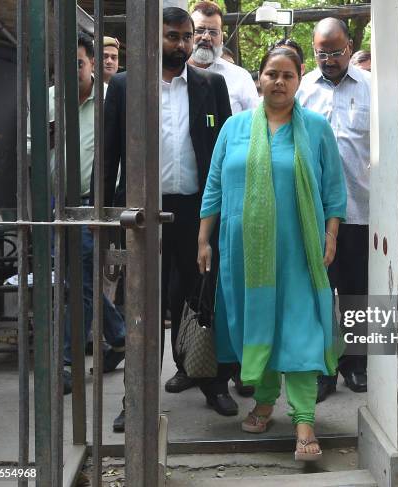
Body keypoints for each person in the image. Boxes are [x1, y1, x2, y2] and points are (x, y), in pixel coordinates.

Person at [198, 47, 346, 461]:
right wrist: (203, 239)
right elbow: (214, 186)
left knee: (299, 330)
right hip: (245, 252)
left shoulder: (315, 128)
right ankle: (264, 400)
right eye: (270, 74)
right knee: (258, 323)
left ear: (300, 81)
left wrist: (331, 234)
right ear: (258, 79)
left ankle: (303, 420)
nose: (278, 82)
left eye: (287, 75)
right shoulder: (234, 127)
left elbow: (334, 189)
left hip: (301, 250)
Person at [104, 7, 237, 432]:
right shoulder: (125, 86)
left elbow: (226, 153)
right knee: (141, 304)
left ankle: (212, 382)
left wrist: (225, 214)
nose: (181, 44)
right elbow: (108, 157)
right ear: (152, 38)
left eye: (186, 36)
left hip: (197, 213)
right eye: (172, 36)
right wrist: (108, 219)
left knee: (202, 295)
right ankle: (135, 396)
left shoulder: (211, 85)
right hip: (141, 214)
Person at [28, 32, 127, 396]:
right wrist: (45, 141)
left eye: (79, 63)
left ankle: (70, 361)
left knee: (79, 279)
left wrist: (109, 204)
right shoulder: (49, 100)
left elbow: (121, 151)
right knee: (74, 279)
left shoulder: (110, 98)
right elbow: (30, 150)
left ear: (92, 64)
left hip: (92, 203)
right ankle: (118, 335)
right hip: (58, 204)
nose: (73, 71)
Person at [297, 17, 371, 403]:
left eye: (336, 52)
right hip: (315, 213)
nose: (328, 60)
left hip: (360, 210)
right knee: (319, 292)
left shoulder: (373, 88)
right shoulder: (303, 90)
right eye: (321, 53)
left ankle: (355, 364)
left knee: (357, 292)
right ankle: (323, 369)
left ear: (350, 46)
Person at [188, 1, 259, 113]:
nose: (206, 37)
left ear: (221, 37)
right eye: (199, 30)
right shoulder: (173, 73)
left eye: (213, 32)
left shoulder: (241, 78)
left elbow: (254, 121)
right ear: (188, 33)